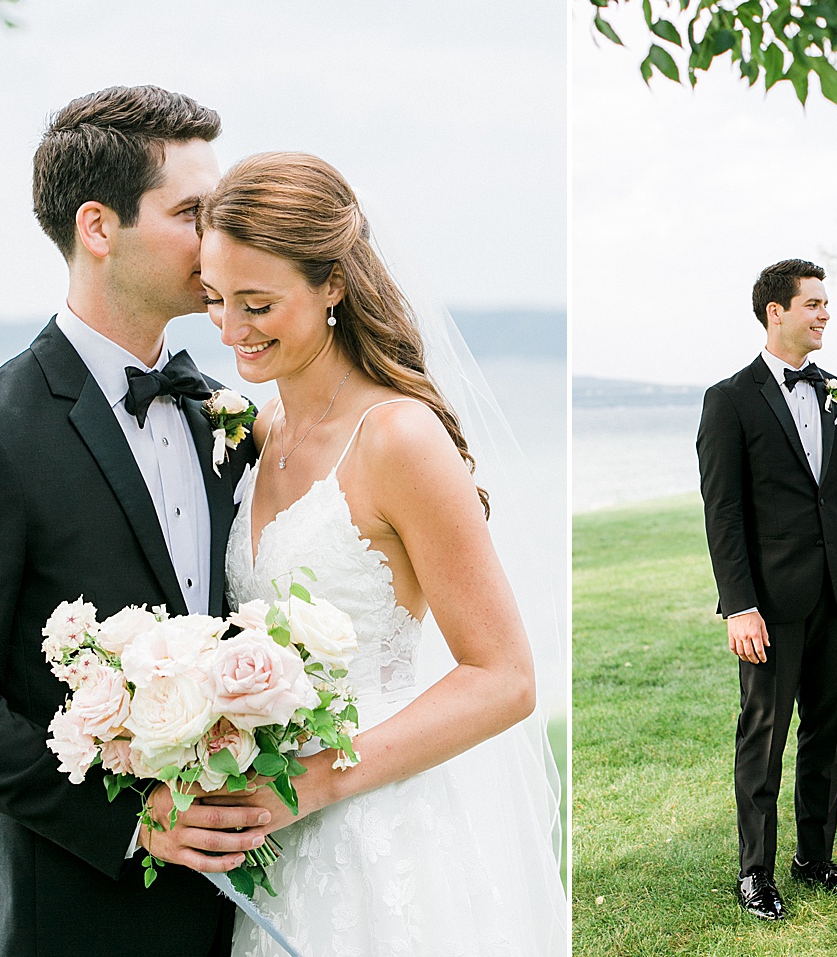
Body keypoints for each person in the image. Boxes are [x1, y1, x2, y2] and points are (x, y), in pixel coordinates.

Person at [194, 152, 567, 956]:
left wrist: (317, 780)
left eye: (257, 303)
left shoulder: (396, 438)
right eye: (215, 300)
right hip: (275, 833)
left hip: (384, 832)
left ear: (333, 283)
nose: (230, 330)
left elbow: (504, 678)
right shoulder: (260, 431)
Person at [0, 86, 268, 957]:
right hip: (70, 914)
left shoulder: (222, 414)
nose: (218, 240)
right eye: (193, 212)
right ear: (97, 226)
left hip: (238, 907)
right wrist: (135, 818)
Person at [695, 259, 837, 921]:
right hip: (770, 603)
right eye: (813, 304)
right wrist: (740, 604)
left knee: (828, 733)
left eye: (826, 304)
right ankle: (755, 872)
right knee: (765, 733)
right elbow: (722, 513)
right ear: (775, 311)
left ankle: (815, 858)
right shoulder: (729, 399)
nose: (824, 314)